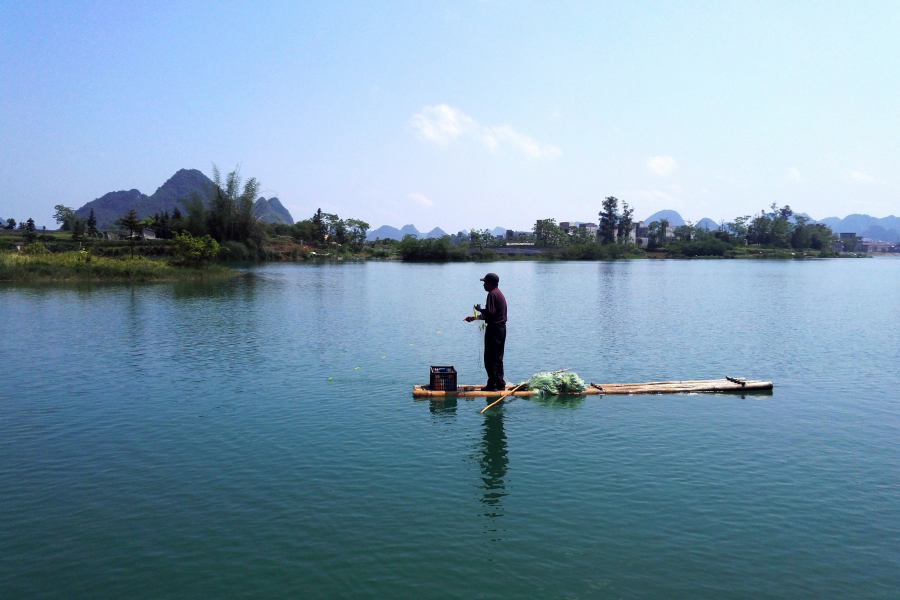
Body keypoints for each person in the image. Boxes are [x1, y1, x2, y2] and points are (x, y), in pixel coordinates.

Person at [464, 272, 507, 391]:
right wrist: (475, 317)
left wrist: (480, 310)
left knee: (490, 358)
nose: (483, 285)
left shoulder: (492, 294)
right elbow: (493, 314)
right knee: (498, 357)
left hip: (494, 329)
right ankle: (500, 384)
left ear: (490, 283)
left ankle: (492, 385)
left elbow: (490, 313)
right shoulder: (498, 294)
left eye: (485, 283)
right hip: (501, 329)